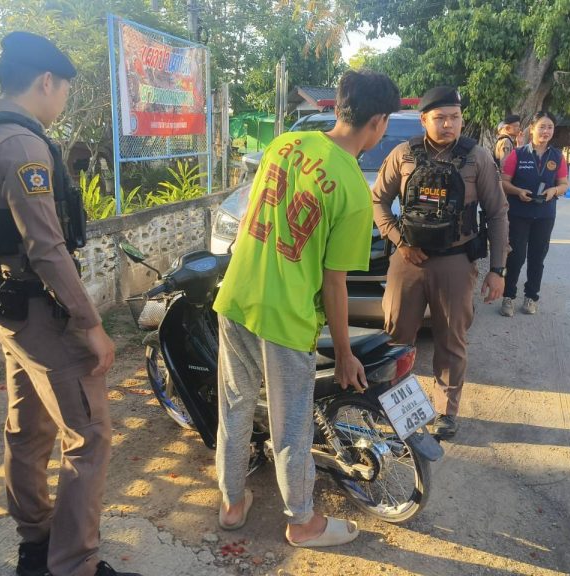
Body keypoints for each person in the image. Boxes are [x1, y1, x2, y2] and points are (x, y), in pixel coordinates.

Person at [0, 32, 136, 576]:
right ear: (46, 81)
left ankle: (36, 543)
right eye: (64, 92)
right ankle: (75, 565)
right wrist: (91, 324)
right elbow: (47, 248)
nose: (62, 102)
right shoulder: (22, 145)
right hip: (42, 311)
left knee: (28, 429)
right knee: (89, 435)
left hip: (9, 305)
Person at [212, 70, 401, 547]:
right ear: (378, 122)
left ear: (339, 107)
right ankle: (301, 522)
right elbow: (334, 283)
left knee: (234, 406)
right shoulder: (354, 190)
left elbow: (253, 214)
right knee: (292, 424)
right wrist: (345, 354)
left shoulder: (283, 144)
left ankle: (232, 504)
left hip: (237, 295)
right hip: (286, 317)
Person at [372, 86, 509, 440]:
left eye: (455, 117)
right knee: (397, 338)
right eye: (440, 118)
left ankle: (446, 413)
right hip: (408, 260)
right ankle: (398, 409)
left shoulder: (477, 158)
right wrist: (400, 241)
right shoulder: (403, 154)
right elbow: (378, 202)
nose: (448, 124)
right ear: (424, 120)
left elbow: (497, 214)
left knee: (450, 341)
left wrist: (498, 270)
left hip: (455, 262)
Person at [499, 111, 569, 317]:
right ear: (532, 128)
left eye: (550, 127)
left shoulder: (557, 157)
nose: (546, 131)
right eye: (542, 127)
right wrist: (518, 191)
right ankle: (508, 297)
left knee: (537, 257)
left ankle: (531, 297)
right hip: (519, 213)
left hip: (545, 215)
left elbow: (564, 184)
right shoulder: (517, 154)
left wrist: (554, 191)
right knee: (516, 256)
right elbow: (503, 182)